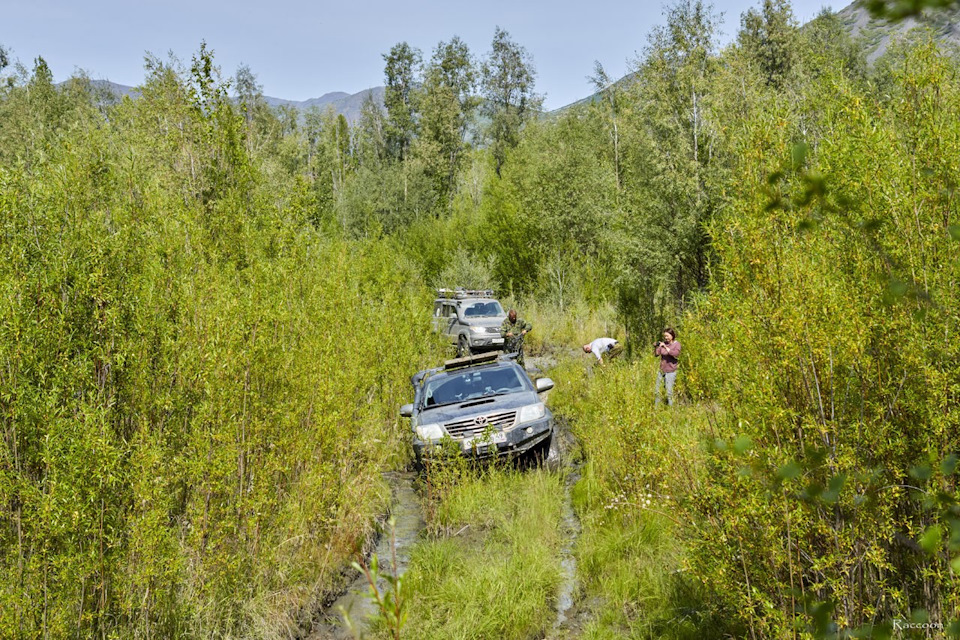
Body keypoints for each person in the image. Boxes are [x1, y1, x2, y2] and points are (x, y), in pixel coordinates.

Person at [654, 328, 680, 406]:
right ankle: (656, 408)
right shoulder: (664, 344)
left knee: (669, 392)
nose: (666, 338)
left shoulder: (676, 344)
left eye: (667, 336)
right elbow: (656, 354)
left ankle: (671, 409)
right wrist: (656, 346)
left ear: (672, 335)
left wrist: (665, 347)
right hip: (662, 370)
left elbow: (675, 354)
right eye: (665, 336)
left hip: (671, 371)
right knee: (657, 390)